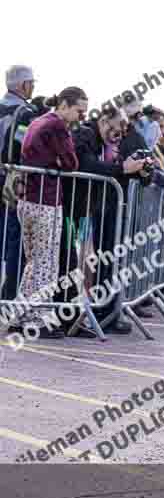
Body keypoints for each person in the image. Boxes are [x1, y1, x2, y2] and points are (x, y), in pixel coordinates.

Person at [11, 87, 86, 338]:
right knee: (46, 264)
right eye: (79, 110)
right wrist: (57, 163)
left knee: (33, 262)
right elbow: (71, 163)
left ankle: (19, 316)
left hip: (28, 200)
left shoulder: (38, 121)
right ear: (64, 104)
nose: (81, 116)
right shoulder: (57, 125)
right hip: (45, 200)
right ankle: (37, 320)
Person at [0, 65, 48, 303]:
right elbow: (22, 148)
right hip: (12, 182)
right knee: (13, 242)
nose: (34, 87)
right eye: (32, 82)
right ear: (23, 85)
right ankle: (8, 298)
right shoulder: (25, 112)